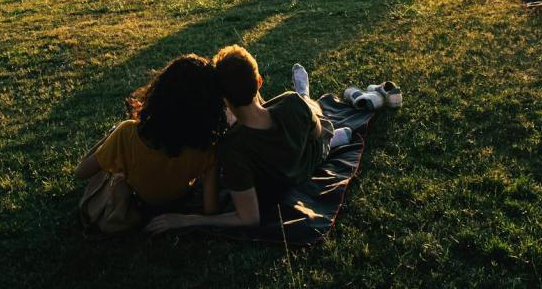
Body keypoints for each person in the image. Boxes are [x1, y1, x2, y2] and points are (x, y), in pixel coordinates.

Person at [144, 46, 351, 233]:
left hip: (291, 172)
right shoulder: (290, 103)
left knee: (308, 108)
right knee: (308, 109)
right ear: (259, 81)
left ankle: (306, 95)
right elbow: (315, 135)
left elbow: (248, 218)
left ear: (223, 99)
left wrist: (185, 220)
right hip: (311, 156)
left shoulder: (231, 148)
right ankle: (305, 96)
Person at [75, 54, 227, 233]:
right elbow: (211, 210)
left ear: (160, 93)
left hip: (136, 201)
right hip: (176, 201)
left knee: (112, 171)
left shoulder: (128, 134)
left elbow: (81, 171)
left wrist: (113, 133)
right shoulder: (207, 147)